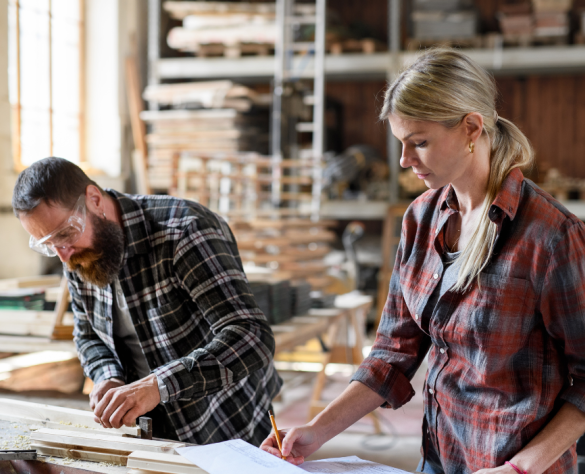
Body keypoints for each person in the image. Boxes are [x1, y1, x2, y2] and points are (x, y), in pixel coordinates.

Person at [261, 48, 585, 473]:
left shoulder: (550, 234)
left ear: (471, 127)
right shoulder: (420, 219)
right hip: (439, 457)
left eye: (420, 142)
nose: (404, 160)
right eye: (401, 143)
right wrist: (316, 431)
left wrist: (521, 467)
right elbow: (392, 353)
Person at [12, 157, 282, 445]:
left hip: (224, 419)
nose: (64, 256)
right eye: (50, 246)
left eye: (65, 235)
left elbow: (251, 336)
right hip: (147, 422)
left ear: (93, 199)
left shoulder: (185, 231)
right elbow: (88, 333)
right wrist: (108, 377)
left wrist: (158, 385)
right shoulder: (74, 251)